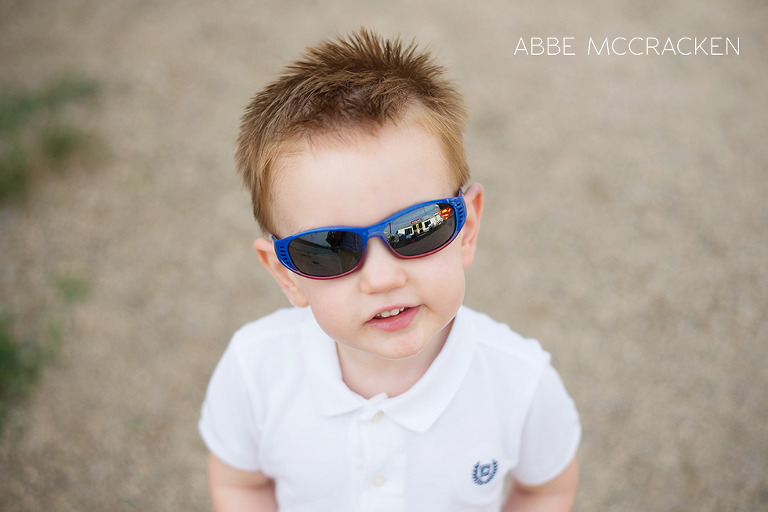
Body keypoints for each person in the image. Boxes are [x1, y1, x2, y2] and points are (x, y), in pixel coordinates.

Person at [199, 28, 581, 511]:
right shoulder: (255, 371)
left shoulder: (521, 383)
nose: (382, 278)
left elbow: (545, 486)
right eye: (329, 248)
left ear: (467, 227)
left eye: (418, 228)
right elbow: (242, 484)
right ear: (286, 274)